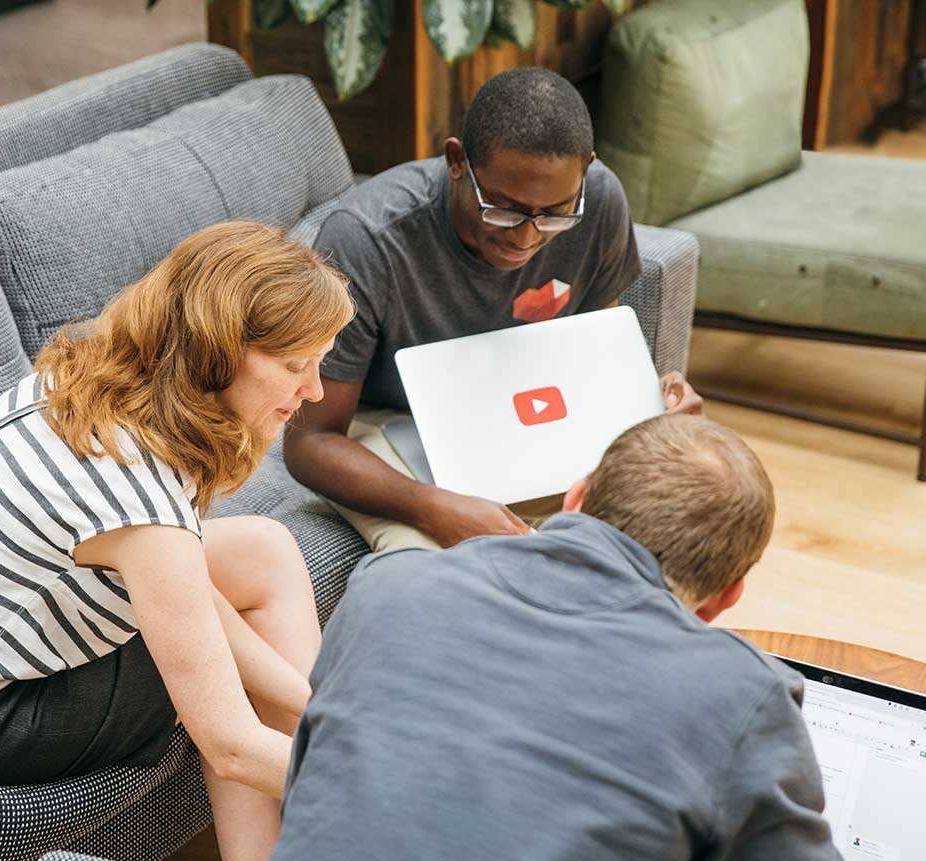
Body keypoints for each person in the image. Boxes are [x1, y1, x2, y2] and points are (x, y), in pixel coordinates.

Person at [199, 414, 875, 861]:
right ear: (725, 598)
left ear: (576, 498)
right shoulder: (739, 698)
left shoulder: (391, 586)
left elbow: (323, 790)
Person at [0, 221, 352, 861]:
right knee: (221, 696)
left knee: (264, 550)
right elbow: (228, 744)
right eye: (295, 365)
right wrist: (373, 780)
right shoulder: (138, 497)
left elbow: (184, 581)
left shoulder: (90, 377)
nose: (313, 391)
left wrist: (323, 716)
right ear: (224, 352)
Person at [284, 66, 704, 553]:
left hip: (520, 403)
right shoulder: (367, 239)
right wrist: (432, 506)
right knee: (436, 566)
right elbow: (310, 442)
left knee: (675, 514)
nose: (526, 237)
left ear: (586, 171)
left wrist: (652, 401)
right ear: (457, 161)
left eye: (552, 214)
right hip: (390, 418)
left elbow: (592, 347)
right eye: (502, 208)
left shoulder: (599, 201)